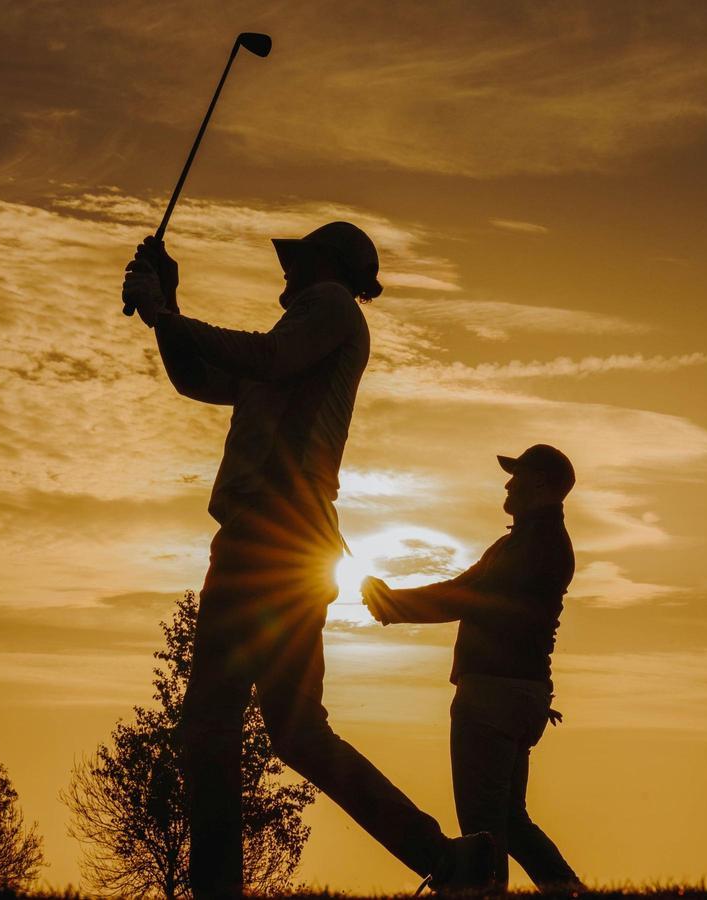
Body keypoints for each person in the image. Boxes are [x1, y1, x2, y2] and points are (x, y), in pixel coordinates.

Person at [121, 223, 492, 898]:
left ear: (331, 267)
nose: (285, 272)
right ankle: (447, 860)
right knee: (296, 732)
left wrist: (165, 311)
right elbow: (197, 379)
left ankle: (217, 892)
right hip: (293, 541)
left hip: (266, 539)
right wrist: (165, 310)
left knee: (211, 721)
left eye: (298, 260)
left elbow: (257, 360)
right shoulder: (301, 336)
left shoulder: (328, 311)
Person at [360, 444, 584, 893]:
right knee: (511, 823)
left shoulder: (530, 546)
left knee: (482, 831)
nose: (507, 482)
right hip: (522, 696)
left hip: (492, 697)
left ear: (540, 483)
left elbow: (464, 597)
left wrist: (392, 605)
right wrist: (393, 603)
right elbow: (465, 589)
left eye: (516, 474)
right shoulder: (527, 543)